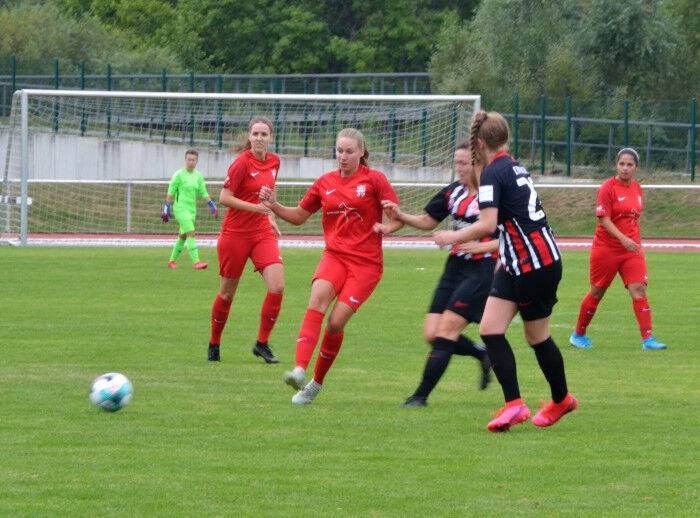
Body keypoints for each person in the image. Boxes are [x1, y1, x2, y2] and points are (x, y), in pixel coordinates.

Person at [433, 111, 577, 432]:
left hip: (535, 264)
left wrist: (452, 236)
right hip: (517, 262)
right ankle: (514, 405)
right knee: (490, 329)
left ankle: (562, 400)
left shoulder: (492, 173)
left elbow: (488, 224)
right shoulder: (511, 165)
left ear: (479, 142)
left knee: (536, 337)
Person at [258, 128, 400, 405]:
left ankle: (315, 384)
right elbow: (299, 216)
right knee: (316, 302)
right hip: (335, 256)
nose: (343, 156)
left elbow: (396, 216)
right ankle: (299, 370)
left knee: (335, 323)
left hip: (367, 264)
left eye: (349, 151)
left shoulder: (375, 180)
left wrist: (388, 227)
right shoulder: (325, 182)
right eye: (339, 151)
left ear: (361, 152)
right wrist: (274, 205)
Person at [378, 142, 497, 407]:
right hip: (454, 268)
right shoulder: (453, 192)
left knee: (446, 331)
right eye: (456, 163)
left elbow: (512, 236)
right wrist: (399, 215)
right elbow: (428, 221)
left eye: (464, 163)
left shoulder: (493, 195)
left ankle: (420, 396)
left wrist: (481, 246)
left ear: (479, 164)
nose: (459, 168)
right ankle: (481, 353)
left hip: (482, 270)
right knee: (432, 334)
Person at [570, 148, 666, 350]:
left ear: (636, 167)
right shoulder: (607, 188)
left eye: (629, 165)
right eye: (622, 164)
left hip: (631, 250)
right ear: (616, 165)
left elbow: (634, 219)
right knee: (597, 292)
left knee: (639, 289)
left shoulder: (637, 188)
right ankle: (578, 334)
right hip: (607, 249)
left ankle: (648, 340)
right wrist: (624, 239)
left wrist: (635, 242)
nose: (625, 168)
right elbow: (604, 220)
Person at [207, 116, 284, 363]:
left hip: (261, 233)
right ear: (249, 136)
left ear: (271, 138)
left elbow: (270, 192)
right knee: (227, 294)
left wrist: (270, 216)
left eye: (264, 134)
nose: (259, 138)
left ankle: (262, 343)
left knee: (277, 286)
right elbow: (224, 197)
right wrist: (257, 209)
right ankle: (214, 344)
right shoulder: (241, 163)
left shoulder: (274, 161)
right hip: (235, 235)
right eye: (255, 134)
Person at [161, 149, 218, 270]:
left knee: (183, 236)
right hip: (180, 209)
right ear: (185, 160)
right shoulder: (179, 175)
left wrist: (212, 205)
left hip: (192, 210)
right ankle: (197, 262)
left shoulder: (198, 176)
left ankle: (171, 261)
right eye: (189, 159)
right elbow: (171, 192)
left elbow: (203, 192)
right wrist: (166, 208)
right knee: (191, 233)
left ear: (197, 161)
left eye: (193, 160)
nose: (191, 162)